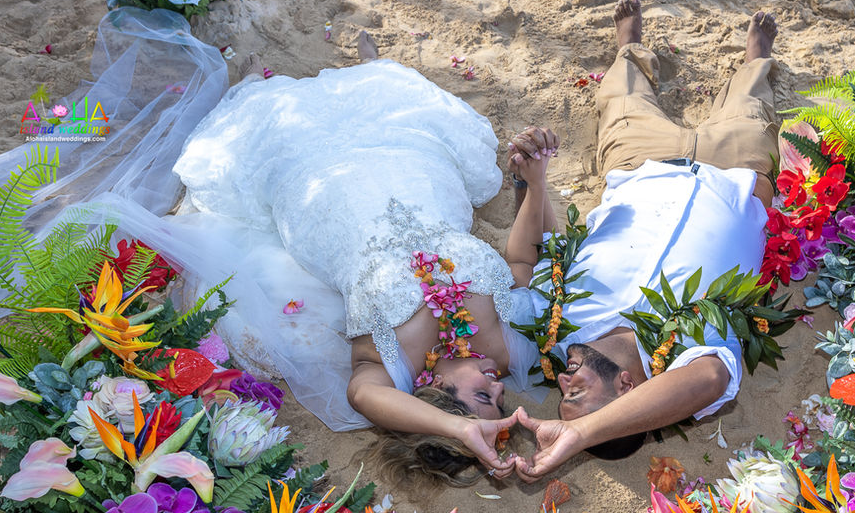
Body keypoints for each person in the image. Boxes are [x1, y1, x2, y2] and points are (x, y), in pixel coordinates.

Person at [165, 33, 563, 485]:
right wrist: (535, 183)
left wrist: (461, 428)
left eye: (483, 398)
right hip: (420, 180)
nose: (499, 386)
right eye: (500, 397)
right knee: (396, 109)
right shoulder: (513, 351)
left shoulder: (392, 366)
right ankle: (373, 75)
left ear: (433, 391)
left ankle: (255, 89)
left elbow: (360, 395)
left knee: (280, 136)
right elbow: (525, 265)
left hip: (327, 208)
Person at [505, 0, 780, 480]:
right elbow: (713, 379)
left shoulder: (561, 325)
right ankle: (755, 58)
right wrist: (583, 433)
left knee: (623, 101)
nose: (564, 378)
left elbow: (530, 262)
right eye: (575, 392)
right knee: (752, 105)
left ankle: (629, 47)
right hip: (733, 176)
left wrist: (536, 181)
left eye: (563, 388)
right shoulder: (685, 355)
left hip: (637, 167)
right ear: (627, 387)